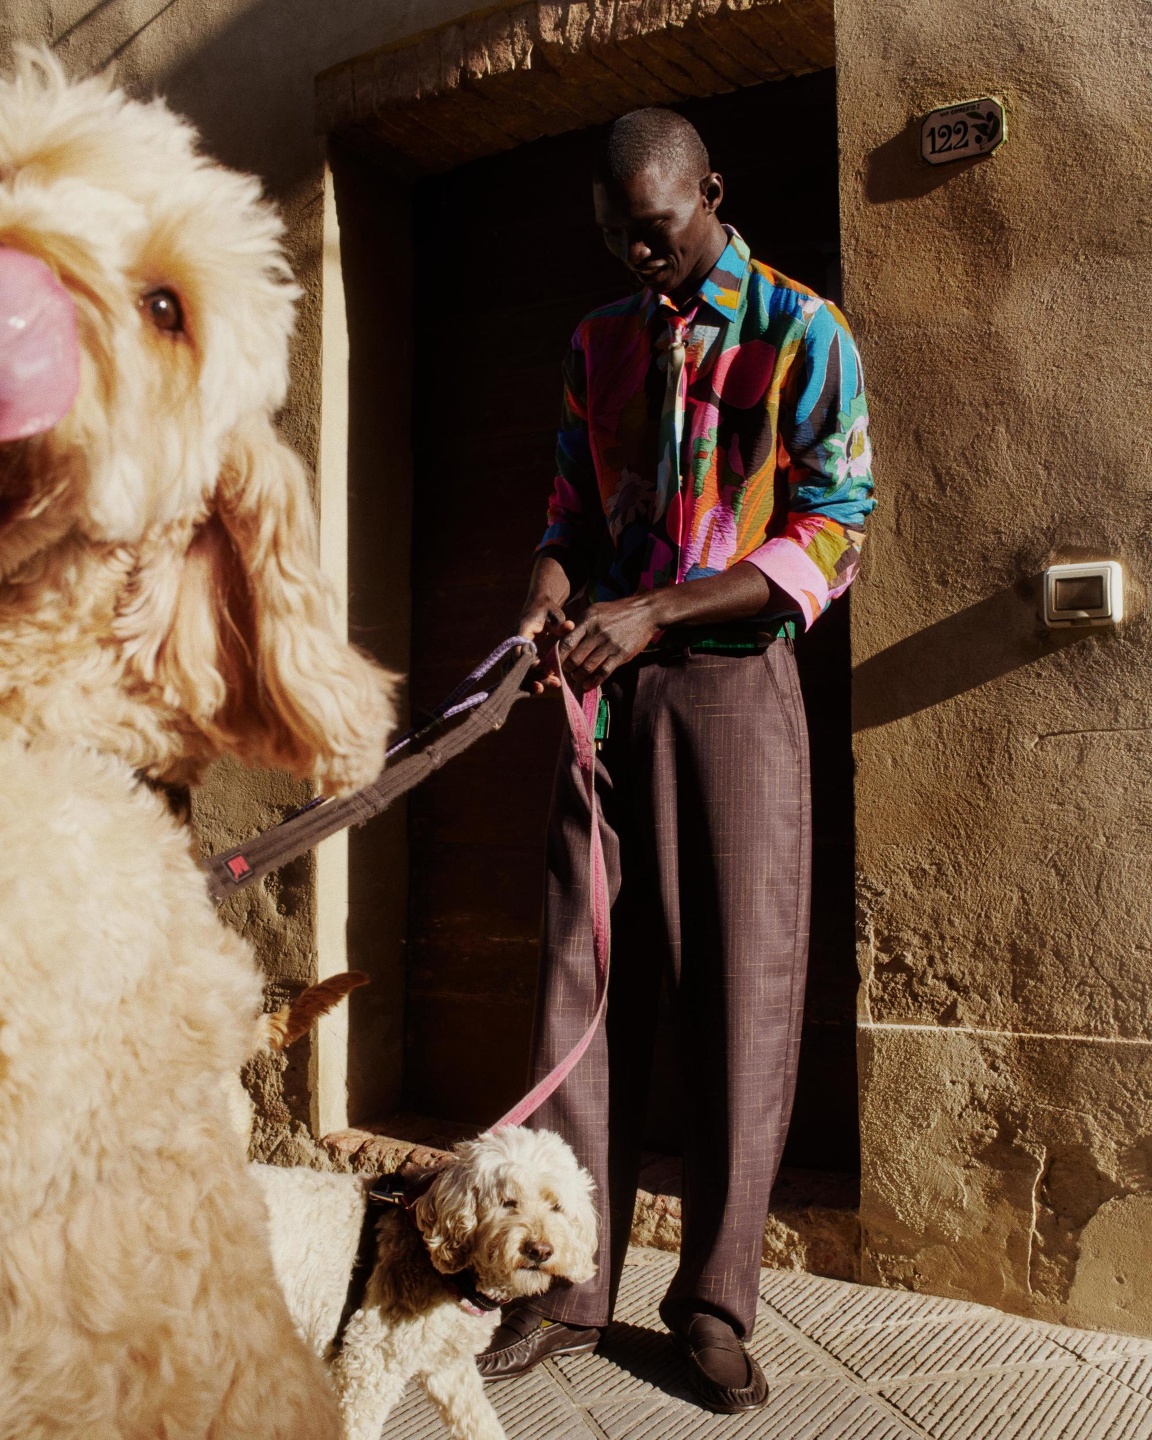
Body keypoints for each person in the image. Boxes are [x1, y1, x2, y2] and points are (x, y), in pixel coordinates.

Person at [477, 106, 874, 1414]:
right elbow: (567, 515)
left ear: (709, 189)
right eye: (614, 237)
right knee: (577, 991)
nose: (637, 258)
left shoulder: (804, 334)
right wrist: (546, 610)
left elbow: (831, 528)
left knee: (742, 1004)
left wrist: (661, 609)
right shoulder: (597, 344)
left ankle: (710, 1305)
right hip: (601, 699)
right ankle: (561, 1293)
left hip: (736, 689)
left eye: (653, 231)